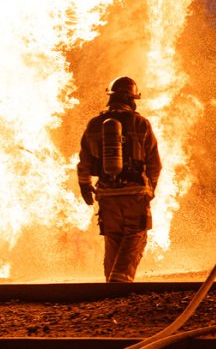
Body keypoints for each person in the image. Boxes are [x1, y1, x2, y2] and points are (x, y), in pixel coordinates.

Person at [76, 77, 161, 282]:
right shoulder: (140, 124)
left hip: (106, 194)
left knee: (113, 239)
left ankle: (111, 288)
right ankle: (120, 284)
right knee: (135, 236)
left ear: (111, 98)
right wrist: (150, 190)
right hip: (134, 194)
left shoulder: (95, 125)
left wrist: (85, 186)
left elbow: (84, 162)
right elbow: (154, 164)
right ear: (132, 100)